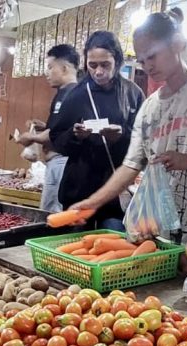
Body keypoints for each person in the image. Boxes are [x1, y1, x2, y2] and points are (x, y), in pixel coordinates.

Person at [71, 9, 187, 241]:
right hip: (157, 229)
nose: (147, 66)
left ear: (177, 43)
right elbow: (130, 165)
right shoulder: (149, 108)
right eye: (142, 60)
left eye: (152, 56)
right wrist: (92, 203)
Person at [49, 31, 145, 229]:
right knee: (74, 252)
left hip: (116, 192)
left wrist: (121, 136)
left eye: (105, 64)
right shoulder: (76, 95)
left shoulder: (132, 93)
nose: (98, 71)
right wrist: (74, 135)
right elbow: (56, 139)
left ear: (117, 61)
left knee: (113, 243)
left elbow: (143, 142)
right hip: (79, 188)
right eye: (92, 65)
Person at [17, 44, 80, 213]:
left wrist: (30, 138)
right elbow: (63, 127)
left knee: (52, 216)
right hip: (56, 163)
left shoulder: (71, 94)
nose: (47, 73)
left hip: (61, 163)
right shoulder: (65, 93)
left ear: (65, 68)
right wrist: (44, 126)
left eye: (51, 67)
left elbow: (57, 134)